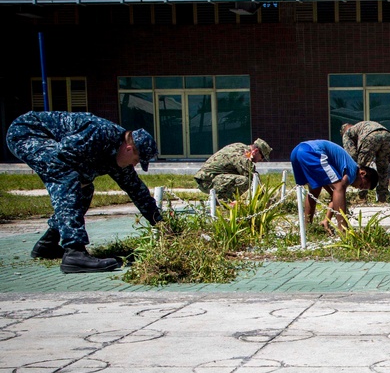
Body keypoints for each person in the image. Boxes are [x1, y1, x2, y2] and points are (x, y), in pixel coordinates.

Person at [6, 111, 161, 273]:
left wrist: (162, 225)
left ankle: (47, 244)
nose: (134, 166)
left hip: (49, 142)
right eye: (136, 160)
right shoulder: (100, 133)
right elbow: (63, 155)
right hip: (27, 133)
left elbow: (137, 191)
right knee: (67, 176)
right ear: (129, 149)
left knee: (85, 188)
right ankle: (75, 253)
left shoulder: (120, 158)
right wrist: (82, 178)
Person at [289, 139, 377, 234]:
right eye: (361, 185)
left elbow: (334, 197)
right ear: (362, 173)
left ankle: (307, 228)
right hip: (312, 151)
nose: (358, 188)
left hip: (297, 151)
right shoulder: (353, 171)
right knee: (339, 188)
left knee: (315, 190)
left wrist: (327, 219)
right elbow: (338, 189)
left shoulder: (346, 168)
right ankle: (343, 230)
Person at [194, 138, 271, 201]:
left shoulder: (240, 146)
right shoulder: (242, 156)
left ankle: (221, 201)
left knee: (243, 179)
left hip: (209, 178)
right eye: (262, 157)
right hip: (208, 181)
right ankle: (223, 202)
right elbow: (252, 177)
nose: (261, 160)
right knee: (245, 181)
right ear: (256, 151)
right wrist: (265, 200)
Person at [340, 120, 390, 202]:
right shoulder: (360, 126)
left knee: (362, 168)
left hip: (369, 136)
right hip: (386, 134)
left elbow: (352, 157)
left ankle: (362, 196)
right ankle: (382, 196)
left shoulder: (347, 134)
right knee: (383, 167)